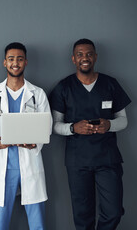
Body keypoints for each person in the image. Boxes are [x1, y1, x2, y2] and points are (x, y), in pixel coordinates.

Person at [49, 38, 131, 230]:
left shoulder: (110, 84)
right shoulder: (64, 87)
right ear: (73, 59)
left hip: (107, 159)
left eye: (88, 54)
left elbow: (124, 120)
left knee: (114, 211)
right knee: (82, 213)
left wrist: (109, 125)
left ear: (95, 57)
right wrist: (72, 128)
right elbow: (55, 125)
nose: (84, 58)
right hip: (78, 161)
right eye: (80, 55)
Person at [0, 42, 51, 230]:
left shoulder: (38, 94)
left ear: (26, 62)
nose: (15, 63)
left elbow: (46, 125)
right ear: (4, 63)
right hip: (3, 166)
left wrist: (35, 143)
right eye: (11, 59)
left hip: (29, 163)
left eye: (19, 59)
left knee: (37, 222)